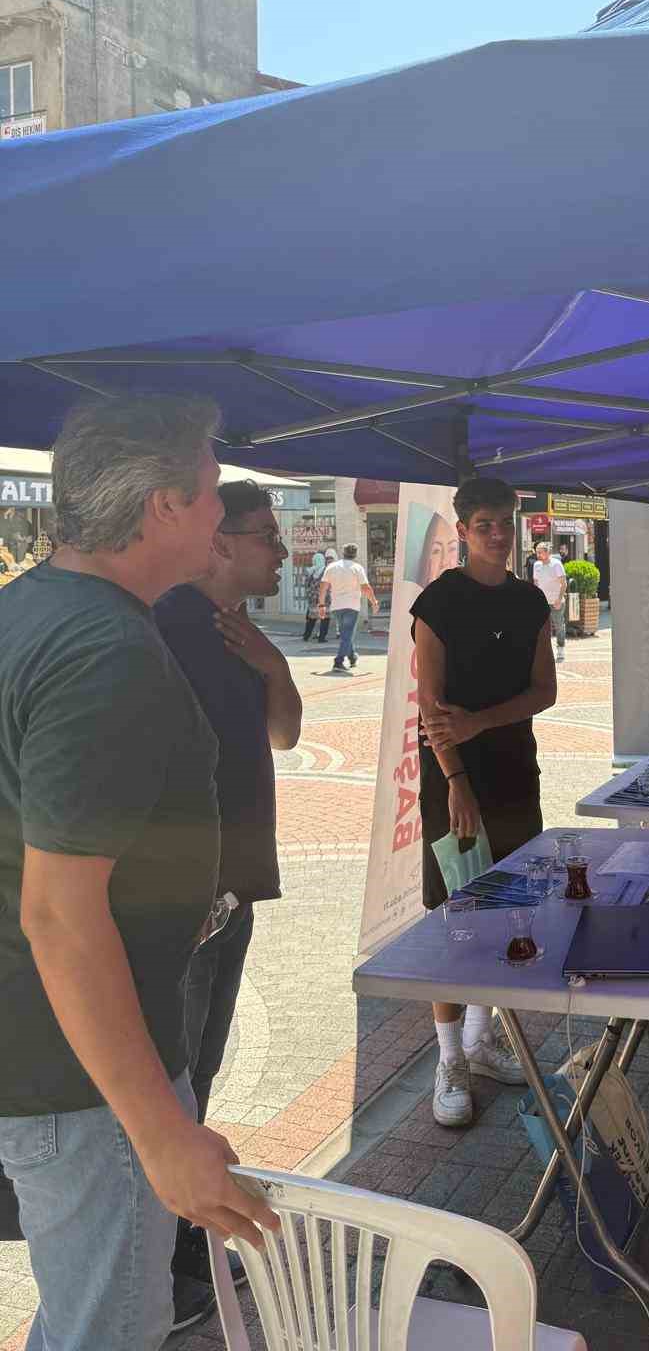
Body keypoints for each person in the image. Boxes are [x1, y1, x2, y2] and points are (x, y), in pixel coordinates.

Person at [0, 397, 277, 1351]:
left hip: (50, 1058)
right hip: (83, 1083)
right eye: (207, 494)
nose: (219, 517)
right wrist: (162, 1134)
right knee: (108, 1333)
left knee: (83, 1314)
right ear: (163, 506)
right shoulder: (105, 651)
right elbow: (61, 916)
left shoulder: (32, 607)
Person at [155, 481, 303, 1315]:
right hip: (184, 903)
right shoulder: (167, 625)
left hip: (235, 891)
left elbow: (284, 734)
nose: (282, 552)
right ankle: (157, 1268)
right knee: (171, 1083)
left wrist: (275, 665)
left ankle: (180, 1250)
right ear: (219, 541)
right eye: (267, 537)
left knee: (199, 1073)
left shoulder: (244, 633)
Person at [412, 478, 557, 1128]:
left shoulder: (530, 601)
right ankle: (448, 1059)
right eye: (485, 524)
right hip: (456, 786)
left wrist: (484, 723)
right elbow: (430, 707)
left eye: (506, 522)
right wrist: (457, 779)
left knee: (505, 914)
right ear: (463, 530)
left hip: (515, 777)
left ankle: (480, 1035)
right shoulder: (438, 603)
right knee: (455, 917)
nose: (499, 534)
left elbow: (544, 692)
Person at [318, 542, 379, 672]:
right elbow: (366, 588)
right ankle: (338, 661)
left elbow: (323, 586)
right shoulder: (357, 568)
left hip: (337, 606)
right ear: (355, 554)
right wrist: (373, 602)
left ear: (343, 553)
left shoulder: (332, 567)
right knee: (347, 635)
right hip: (352, 606)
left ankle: (352, 657)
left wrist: (321, 604)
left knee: (346, 633)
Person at [531, 541, 568, 661]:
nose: (538, 555)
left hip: (556, 601)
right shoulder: (536, 565)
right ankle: (546, 651)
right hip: (543, 602)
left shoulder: (556, 564)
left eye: (540, 552)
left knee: (558, 625)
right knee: (543, 628)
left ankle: (561, 649)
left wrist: (558, 599)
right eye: (537, 552)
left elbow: (564, 584)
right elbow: (536, 584)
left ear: (547, 553)